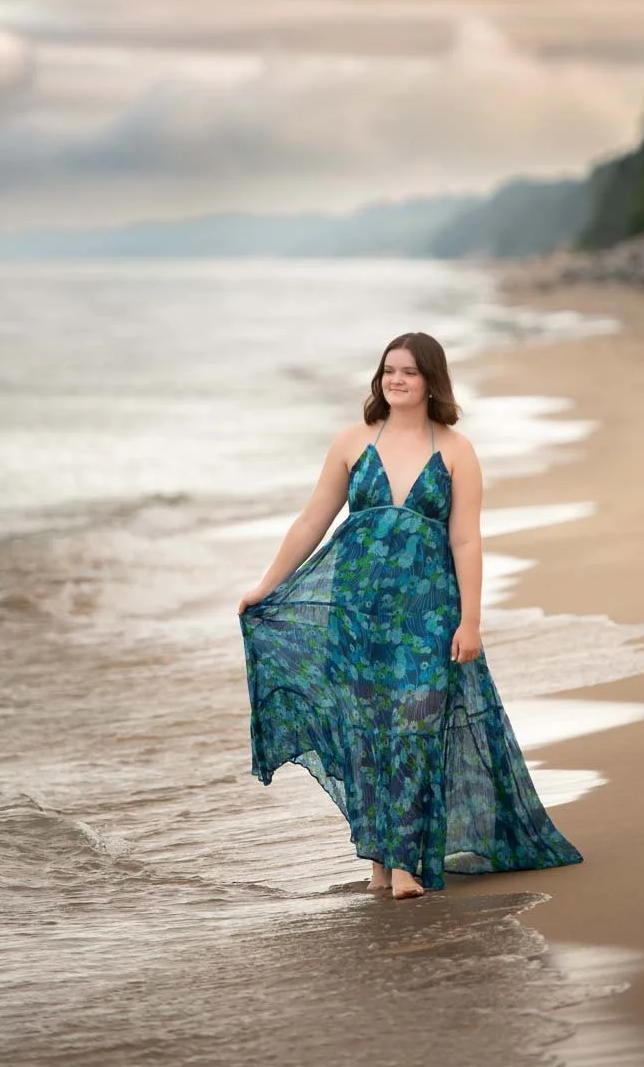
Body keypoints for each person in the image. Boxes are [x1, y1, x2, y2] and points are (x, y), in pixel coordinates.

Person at [238, 331, 583, 900]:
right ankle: (380, 860)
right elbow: (311, 523)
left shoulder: (455, 450)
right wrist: (264, 586)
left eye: (409, 372)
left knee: (414, 731)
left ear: (431, 381)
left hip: (427, 614)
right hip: (357, 611)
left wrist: (470, 621)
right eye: (387, 370)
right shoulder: (352, 442)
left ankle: (405, 865)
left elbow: (466, 541)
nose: (395, 380)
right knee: (366, 733)